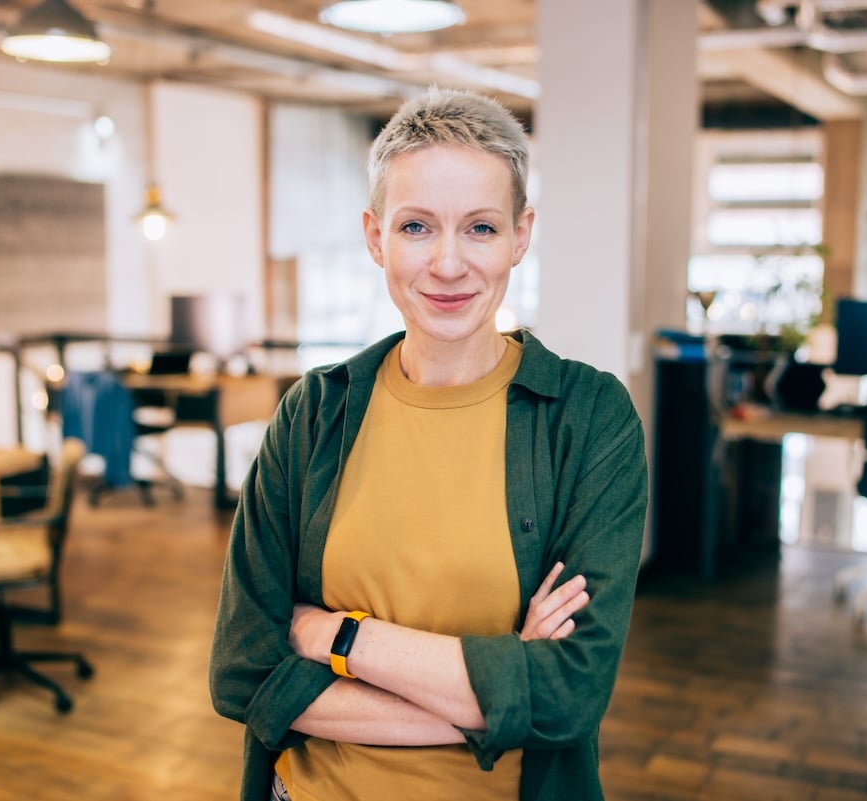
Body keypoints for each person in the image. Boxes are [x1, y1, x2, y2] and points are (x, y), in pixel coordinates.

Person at [210, 86, 648, 801]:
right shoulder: (313, 414)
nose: (448, 264)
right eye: (417, 227)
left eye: (480, 227)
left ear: (521, 234)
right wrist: (498, 698)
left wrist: (334, 637)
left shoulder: (590, 418)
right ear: (375, 235)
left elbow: (568, 696)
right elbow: (241, 673)